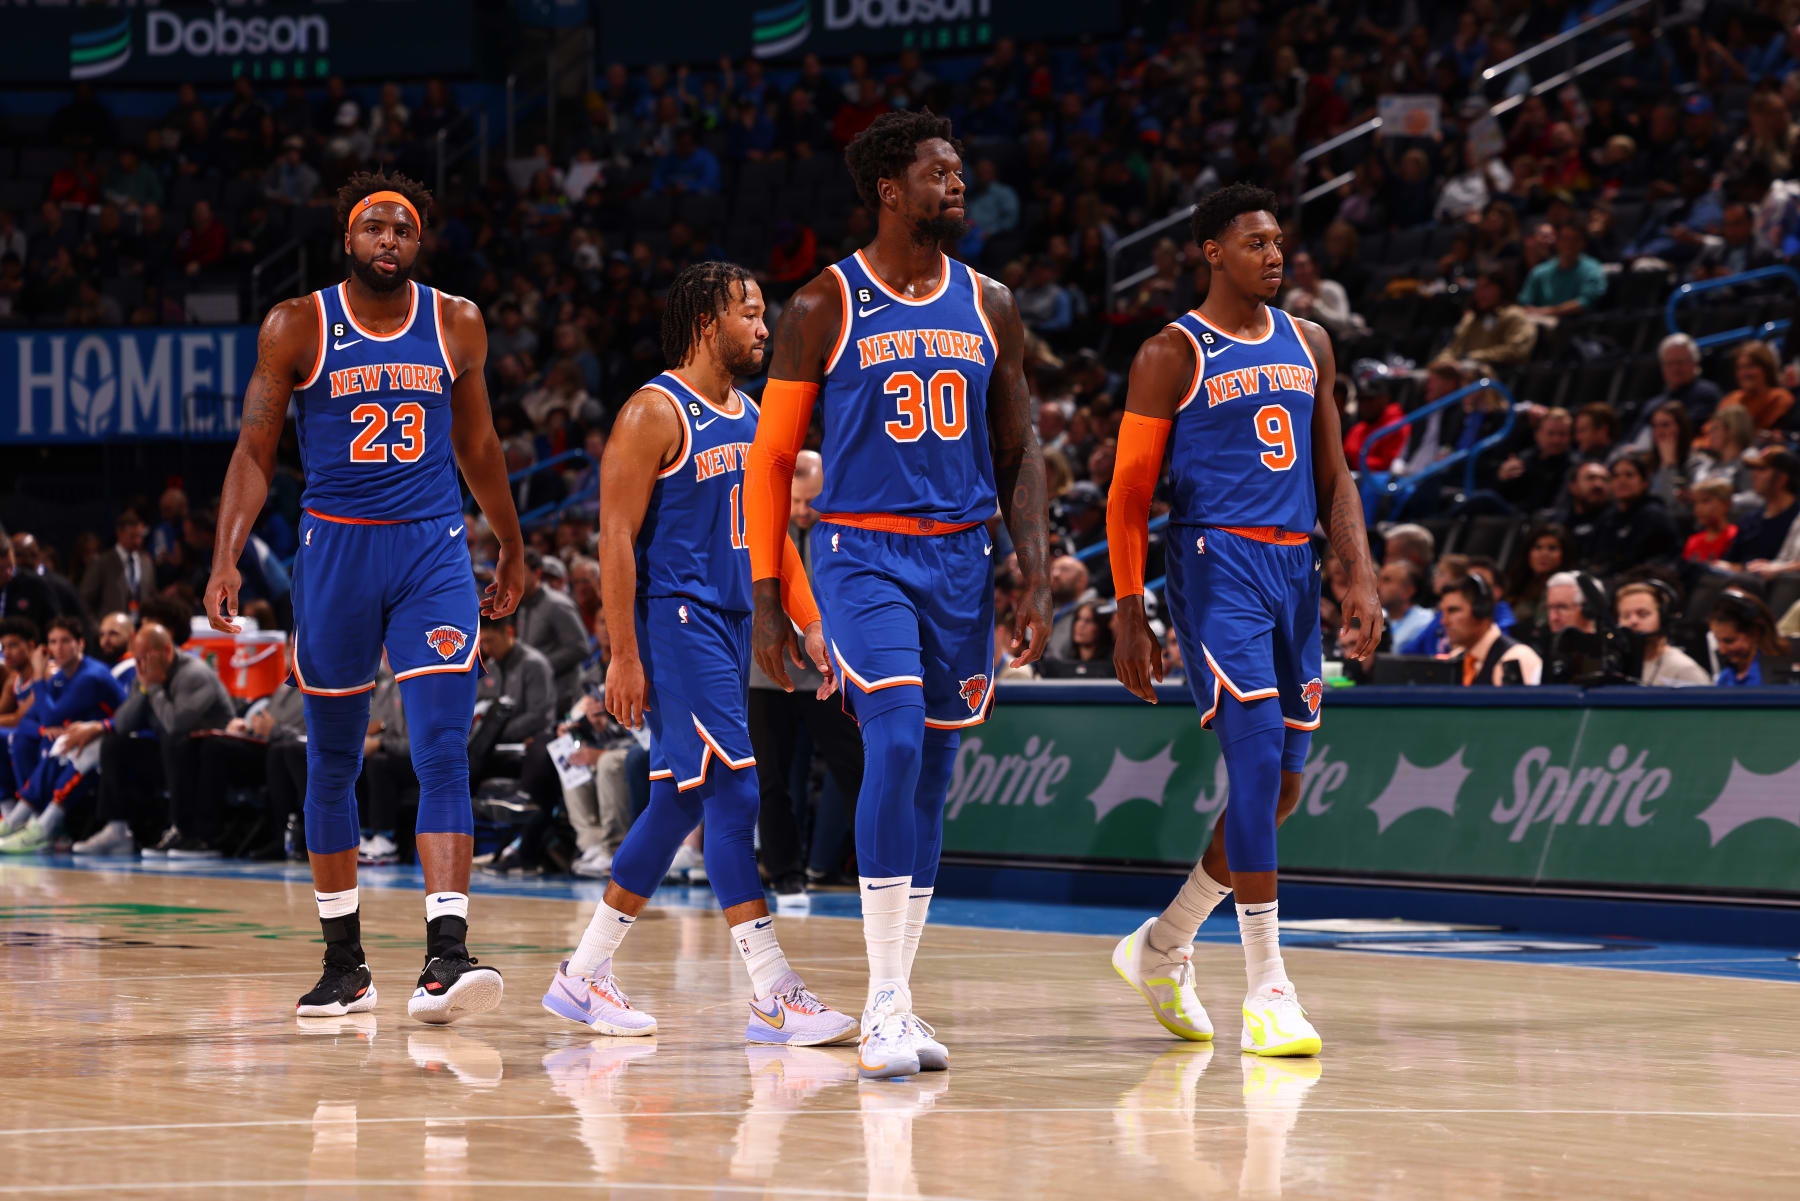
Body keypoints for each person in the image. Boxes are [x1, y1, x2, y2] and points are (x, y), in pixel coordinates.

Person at [745, 110, 1051, 1080]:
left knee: (932, 777)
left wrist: (1033, 562)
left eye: (961, 172)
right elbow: (770, 458)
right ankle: (881, 1003)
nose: (958, 186)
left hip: (963, 560)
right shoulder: (823, 304)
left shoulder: (991, 302)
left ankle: (900, 999)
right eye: (939, 173)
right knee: (894, 735)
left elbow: (1020, 446)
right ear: (889, 188)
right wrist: (765, 592)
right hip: (861, 553)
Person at [201, 171, 525, 1025]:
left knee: (441, 746)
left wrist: (513, 543)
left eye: (404, 230)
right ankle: (344, 963)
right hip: (335, 548)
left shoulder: (455, 321)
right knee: (334, 757)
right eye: (374, 227)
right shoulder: (297, 324)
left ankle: (447, 954)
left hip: (433, 549)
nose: (389, 240)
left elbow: (480, 443)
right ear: (349, 239)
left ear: (418, 245)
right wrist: (226, 553)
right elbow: (252, 450)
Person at [544, 261, 858, 1049]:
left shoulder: (750, 415)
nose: (764, 328)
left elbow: (771, 534)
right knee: (736, 795)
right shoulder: (654, 411)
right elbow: (613, 537)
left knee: (679, 801)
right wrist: (622, 654)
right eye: (750, 314)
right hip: (674, 616)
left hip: (721, 620)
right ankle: (774, 990)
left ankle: (583, 975)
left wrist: (811, 620)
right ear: (706, 322)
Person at [1108, 183, 1382, 1060]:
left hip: (1294, 566)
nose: (1276, 255)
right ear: (1211, 252)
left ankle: (1163, 942)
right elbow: (1127, 497)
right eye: (1256, 242)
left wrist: (1360, 573)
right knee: (1256, 764)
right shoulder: (1170, 353)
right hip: (1214, 563)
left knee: (1283, 789)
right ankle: (1268, 986)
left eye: (1279, 242)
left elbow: (1335, 474)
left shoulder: (1312, 342)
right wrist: (1126, 609)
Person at [747, 449, 866, 906]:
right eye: (794, 501)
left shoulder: (848, 534)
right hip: (768, 675)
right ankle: (785, 873)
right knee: (771, 780)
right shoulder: (761, 528)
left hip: (829, 672)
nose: (800, 511)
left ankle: (880, 868)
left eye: (810, 501)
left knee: (855, 769)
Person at [54, 622, 234, 855]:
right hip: (175, 751)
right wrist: (144, 689)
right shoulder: (145, 673)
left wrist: (155, 687)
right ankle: (117, 829)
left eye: (145, 658)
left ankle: (186, 832)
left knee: (174, 743)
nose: (140, 666)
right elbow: (122, 723)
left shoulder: (194, 674)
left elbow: (176, 725)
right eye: (136, 659)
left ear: (167, 651)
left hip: (210, 750)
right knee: (115, 745)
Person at [0, 615, 126, 852]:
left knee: (68, 747)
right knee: (44, 743)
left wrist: (38, 676)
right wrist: (42, 729)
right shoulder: (60, 677)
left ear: (81, 644)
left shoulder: (91, 676)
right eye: (53, 642)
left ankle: (40, 826)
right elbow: (29, 721)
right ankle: (22, 819)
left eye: (65, 641)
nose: (58, 648)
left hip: (120, 737)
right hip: (86, 738)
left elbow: (50, 716)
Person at [514, 549, 591, 712]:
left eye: (520, 571)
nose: (514, 577)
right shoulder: (522, 606)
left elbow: (580, 647)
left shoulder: (557, 604)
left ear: (537, 573)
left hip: (564, 695)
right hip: (540, 695)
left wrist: (540, 666)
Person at [1441, 575, 1542, 686]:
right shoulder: (1454, 659)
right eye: (1443, 612)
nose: (1444, 621)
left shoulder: (1516, 658)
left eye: (1453, 610)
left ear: (1480, 610)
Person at [1616, 581, 1710, 686]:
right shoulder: (1615, 667)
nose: (1633, 621)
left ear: (1663, 618)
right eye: (1626, 616)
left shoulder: (1685, 669)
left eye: (1642, 614)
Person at [1720, 448, 1800, 568]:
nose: (1753, 475)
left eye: (1761, 469)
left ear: (1782, 479)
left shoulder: (1796, 520)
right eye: (1754, 469)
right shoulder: (1749, 520)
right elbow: (1731, 562)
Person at [1519, 221, 1607, 320]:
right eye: (1565, 239)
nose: (1569, 244)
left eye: (1575, 239)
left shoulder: (1592, 269)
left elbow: (1586, 302)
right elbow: (1525, 302)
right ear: (1557, 242)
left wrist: (1548, 311)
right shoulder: (1540, 271)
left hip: (1575, 324)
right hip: (1538, 323)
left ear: (1583, 243)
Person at [81, 510, 156, 618]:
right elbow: (84, 601)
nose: (137, 542)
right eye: (132, 536)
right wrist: (96, 628)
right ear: (119, 533)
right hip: (110, 629)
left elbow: (152, 597)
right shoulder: (102, 562)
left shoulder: (146, 562)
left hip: (139, 627)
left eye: (140, 536)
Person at [1710, 589, 1784, 685]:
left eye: (1729, 641)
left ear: (1755, 633)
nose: (1721, 650)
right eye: (1717, 640)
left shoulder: (1777, 678)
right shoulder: (1726, 676)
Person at [1719, 340, 1795, 432]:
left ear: (1766, 368)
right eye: (1740, 368)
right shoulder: (1731, 400)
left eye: (1750, 366)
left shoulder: (1780, 398)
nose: (1744, 373)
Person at [1508, 523, 1572, 628]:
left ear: (1564, 554)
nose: (1544, 554)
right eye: (1538, 547)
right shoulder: (1518, 581)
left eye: (1552, 548)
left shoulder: (1565, 589)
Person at [0, 532, 57, 624]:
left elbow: (54, 625)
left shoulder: (35, 585)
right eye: (1, 569)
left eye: (11, 567)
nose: (8, 573)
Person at [1377, 560, 1434, 650]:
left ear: (1408, 591)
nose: (1377, 586)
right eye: (1379, 579)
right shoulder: (1377, 618)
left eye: (1387, 580)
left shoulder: (1425, 623)